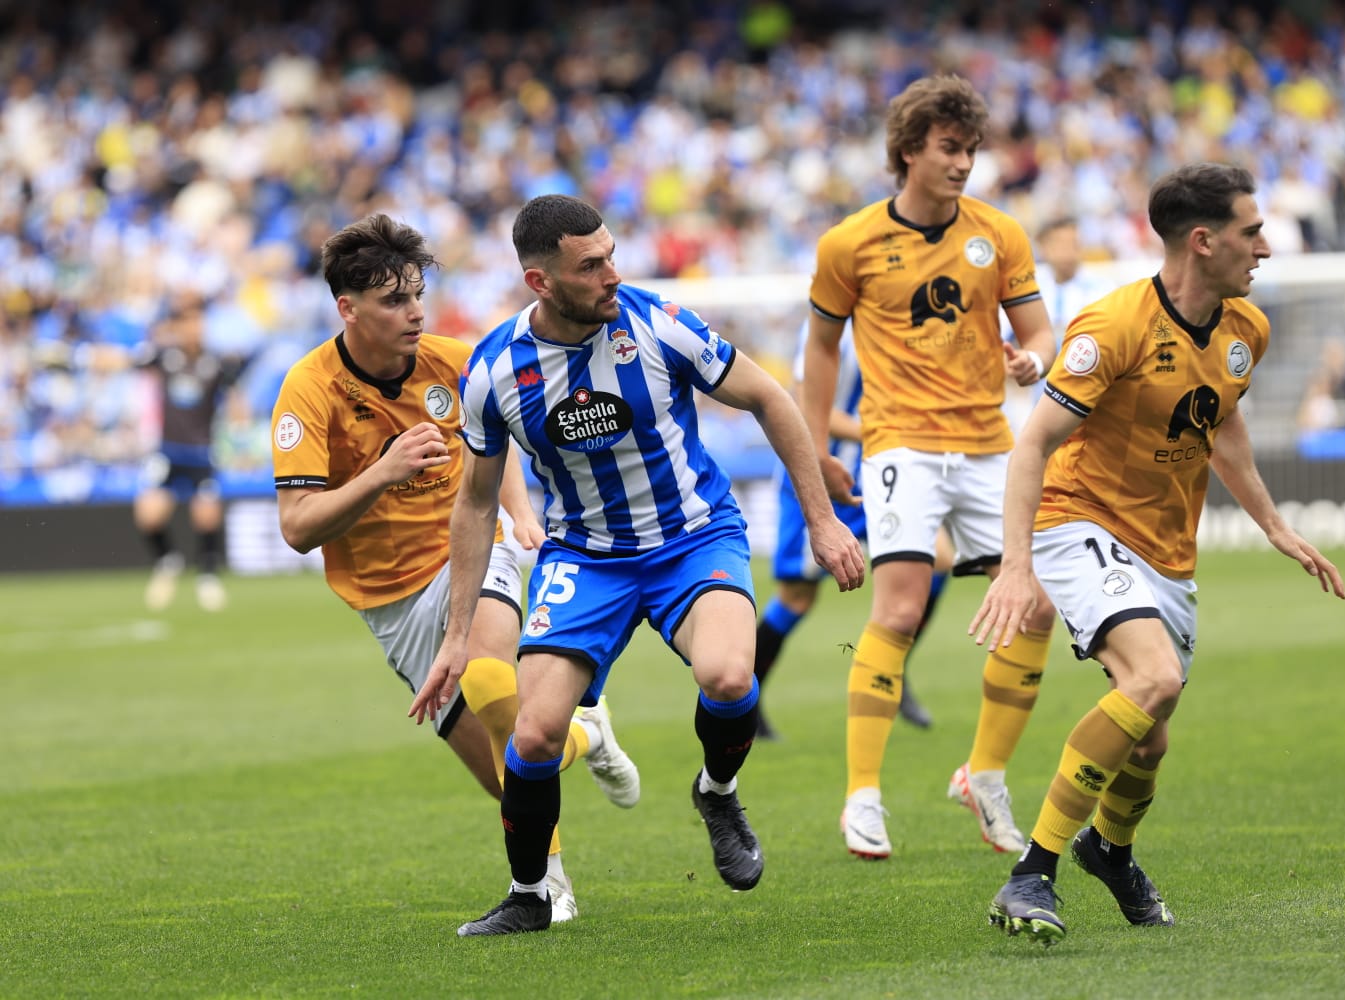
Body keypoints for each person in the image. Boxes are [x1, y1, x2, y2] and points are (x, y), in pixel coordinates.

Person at [411, 193, 865, 936]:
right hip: (586, 558)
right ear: (541, 283)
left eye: (612, 254)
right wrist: (458, 635)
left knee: (727, 677)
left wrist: (822, 520)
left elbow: (770, 398)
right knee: (534, 735)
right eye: (591, 266)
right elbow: (474, 502)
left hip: (692, 538)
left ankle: (717, 791)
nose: (612, 274)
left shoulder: (657, 323)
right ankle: (530, 897)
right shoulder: (495, 370)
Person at [973, 162, 1345, 948]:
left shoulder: (1248, 330)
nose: (1267, 248)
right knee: (1153, 677)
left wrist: (1275, 525)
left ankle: (1110, 850)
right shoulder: (1114, 326)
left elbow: (1224, 423)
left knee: (1151, 732)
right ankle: (1031, 874)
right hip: (1078, 520)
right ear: (1203, 242)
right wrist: (1015, 564)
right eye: (1253, 232)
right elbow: (1032, 442)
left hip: (1167, 551)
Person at [271, 213, 641, 928]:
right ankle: (588, 734)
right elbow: (296, 529)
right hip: (390, 604)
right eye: (393, 301)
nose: (414, 312)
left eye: (416, 294)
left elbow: (491, 450)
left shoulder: (459, 361)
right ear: (348, 309)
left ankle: (544, 890)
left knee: (486, 674)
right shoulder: (308, 389)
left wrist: (520, 514)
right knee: (511, 770)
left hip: (470, 550)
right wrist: (383, 472)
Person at [802, 74, 1059, 860]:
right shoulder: (848, 244)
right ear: (910, 150)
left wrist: (1032, 361)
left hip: (988, 446)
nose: (964, 164)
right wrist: (815, 448)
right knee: (900, 610)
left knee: (1037, 607)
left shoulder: (1000, 234)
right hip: (901, 443)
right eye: (951, 148)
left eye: (972, 150)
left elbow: (1042, 334)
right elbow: (819, 348)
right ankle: (863, 797)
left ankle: (982, 775)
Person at [754, 318, 949, 742]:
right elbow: (806, 411)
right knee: (797, 598)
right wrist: (885, 431)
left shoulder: (892, 320)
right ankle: (742, 702)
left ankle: (890, 673)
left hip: (879, 476)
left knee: (938, 559)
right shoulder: (823, 330)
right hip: (822, 477)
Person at [135, 293, 244, 612]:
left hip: (200, 453)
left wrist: (239, 424)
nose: (193, 329)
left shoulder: (217, 363)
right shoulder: (164, 357)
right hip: (167, 452)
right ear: (177, 328)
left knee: (206, 515)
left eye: (197, 323)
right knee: (148, 515)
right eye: (186, 323)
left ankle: (208, 575)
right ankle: (167, 560)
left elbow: (237, 401)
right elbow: (126, 361)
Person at [999, 217, 1114, 438]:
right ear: (1044, 247)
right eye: (1060, 244)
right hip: (1035, 396)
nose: (1067, 252)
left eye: (1073, 244)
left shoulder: (1103, 290)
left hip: (1089, 400)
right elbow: (1002, 337)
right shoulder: (1027, 287)